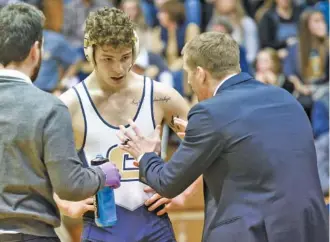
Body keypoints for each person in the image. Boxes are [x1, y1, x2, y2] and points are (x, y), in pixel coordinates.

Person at [118, 32, 329, 242]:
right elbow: (257, 154)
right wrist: (205, 139)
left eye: (188, 74)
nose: (189, 82)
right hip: (310, 228)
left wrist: (145, 154)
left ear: (201, 74)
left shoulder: (209, 112)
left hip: (255, 231)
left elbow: (167, 183)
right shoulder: (285, 97)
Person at [56, 7, 196, 242]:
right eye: (108, 59)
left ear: (135, 50)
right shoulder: (70, 105)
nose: (118, 68)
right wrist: (64, 203)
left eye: (125, 57)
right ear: (90, 54)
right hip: (102, 225)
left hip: (154, 223)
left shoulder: (160, 96)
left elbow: (204, 144)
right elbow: (39, 165)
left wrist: (184, 192)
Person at [0, 3, 121, 242]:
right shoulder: (49, 107)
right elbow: (70, 185)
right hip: (30, 234)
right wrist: (102, 174)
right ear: (36, 51)